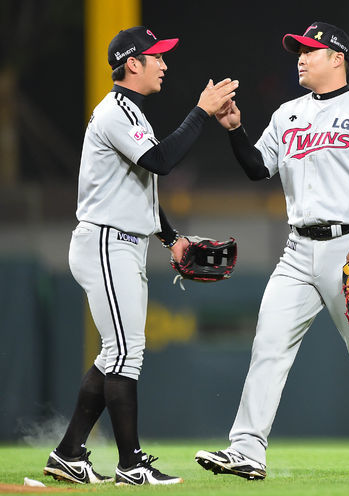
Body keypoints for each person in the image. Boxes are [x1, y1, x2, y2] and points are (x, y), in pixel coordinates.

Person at [194, 21, 349, 479]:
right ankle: (247, 450)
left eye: (311, 51)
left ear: (337, 58)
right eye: (299, 52)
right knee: (268, 346)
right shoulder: (287, 114)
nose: (301, 58)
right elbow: (258, 168)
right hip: (297, 249)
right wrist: (235, 130)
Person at [42, 26, 238, 485]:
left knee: (116, 354)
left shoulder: (131, 113)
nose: (164, 64)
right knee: (126, 354)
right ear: (133, 63)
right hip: (106, 242)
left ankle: (68, 454)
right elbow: (161, 163)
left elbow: (139, 187)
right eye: (157, 57)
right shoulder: (115, 111)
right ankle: (130, 465)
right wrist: (200, 112)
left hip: (122, 242)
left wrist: (171, 238)